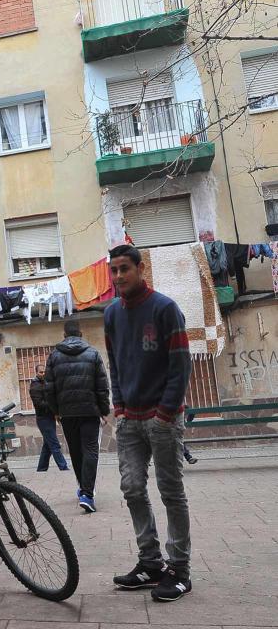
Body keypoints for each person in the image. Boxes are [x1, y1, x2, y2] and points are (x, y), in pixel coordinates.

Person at [104, 245, 193, 602]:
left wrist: (166, 413)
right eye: (113, 270)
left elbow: (181, 364)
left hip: (163, 420)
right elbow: (114, 364)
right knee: (132, 489)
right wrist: (120, 407)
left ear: (141, 269)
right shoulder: (111, 314)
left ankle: (180, 569)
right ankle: (150, 563)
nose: (118, 276)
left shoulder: (165, 308)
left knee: (171, 493)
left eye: (124, 269)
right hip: (130, 422)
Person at [44, 320, 110, 513]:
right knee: (90, 450)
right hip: (89, 411)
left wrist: (56, 410)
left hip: (67, 413)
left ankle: (83, 487)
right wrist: (104, 410)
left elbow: (49, 388)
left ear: (64, 335)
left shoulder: (54, 356)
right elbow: (102, 386)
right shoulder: (93, 353)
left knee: (75, 451)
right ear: (80, 333)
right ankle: (87, 495)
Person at [28, 364, 69, 472]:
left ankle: (41, 469)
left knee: (47, 446)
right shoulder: (34, 386)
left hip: (49, 417)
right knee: (54, 444)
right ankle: (63, 467)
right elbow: (39, 404)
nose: (43, 374)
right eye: (41, 372)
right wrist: (53, 404)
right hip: (43, 419)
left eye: (44, 372)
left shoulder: (46, 383)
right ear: (36, 373)